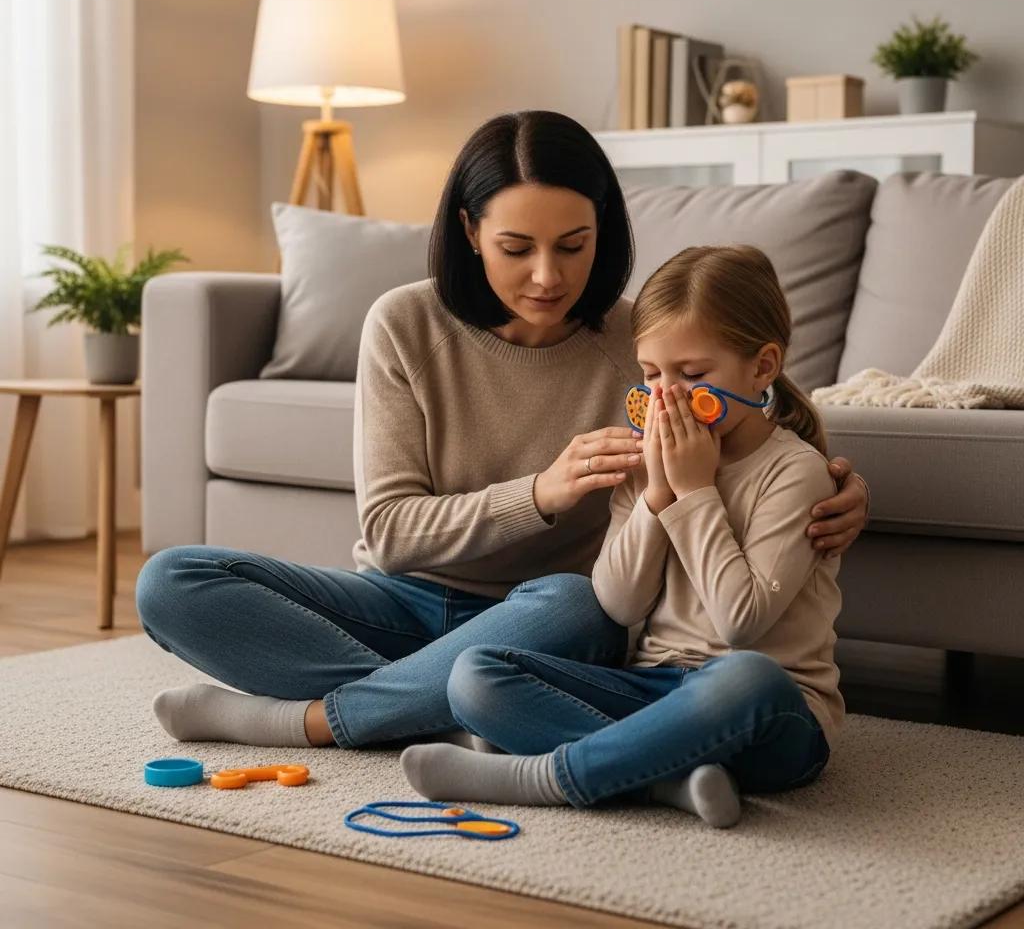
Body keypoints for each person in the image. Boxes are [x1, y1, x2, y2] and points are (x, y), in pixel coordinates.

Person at [134, 111, 869, 752]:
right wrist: (542, 493)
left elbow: (746, 403)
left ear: (603, 232)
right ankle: (440, 708)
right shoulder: (403, 323)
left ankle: (329, 720)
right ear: (470, 231)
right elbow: (389, 532)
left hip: (552, 621)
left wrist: (833, 477)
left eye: (574, 246)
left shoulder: (640, 341)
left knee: (573, 601)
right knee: (172, 582)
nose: (548, 276)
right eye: (517, 248)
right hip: (404, 602)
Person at [400, 244, 847, 830]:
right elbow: (618, 603)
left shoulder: (795, 471)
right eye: (651, 375)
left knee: (746, 675)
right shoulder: (649, 461)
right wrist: (656, 498)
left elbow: (741, 622)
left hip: (766, 711)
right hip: (656, 685)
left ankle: (544, 778)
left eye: (692, 375)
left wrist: (694, 495)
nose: (666, 397)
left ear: (762, 368)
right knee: (475, 675)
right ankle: (665, 779)